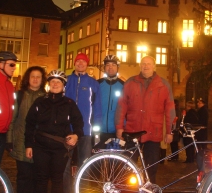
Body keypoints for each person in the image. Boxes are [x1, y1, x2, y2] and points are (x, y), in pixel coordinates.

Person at [115, 55, 175, 183]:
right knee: (127, 165)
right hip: (133, 131)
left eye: (148, 64)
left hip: (153, 131)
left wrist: (170, 131)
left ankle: (149, 188)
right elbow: (122, 106)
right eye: (143, 64)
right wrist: (119, 127)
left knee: (151, 168)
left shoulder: (163, 84)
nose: (146, 66)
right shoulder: (130, 82)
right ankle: (126, 189)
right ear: (140, 66)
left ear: (154, 66)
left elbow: (170, 109)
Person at [25, 70, 83, 193]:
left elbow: (78, 122)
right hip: (40, 146)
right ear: (49, 84)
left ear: (63, 85)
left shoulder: (69, 104)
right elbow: (29, 124)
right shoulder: (40, 102)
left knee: (57, 179)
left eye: (58, 82)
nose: (55, 84)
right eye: (53, 82)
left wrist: (76, 135)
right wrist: (29, 145)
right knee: (41, 179)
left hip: (60, 148)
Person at [63, 53, 101, 192]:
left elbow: (97, 107)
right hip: (68, 130)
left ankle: (82, 189)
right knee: (65, 166)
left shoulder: (93, 83)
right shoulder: (66, 80)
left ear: (87, 64)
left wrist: (96, 131)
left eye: (83, 61)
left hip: (85, 131)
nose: (80, 64)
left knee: (85, 165)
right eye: (78, 61)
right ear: (74, 63)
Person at [6, 66, 47, 193]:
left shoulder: (46, 98)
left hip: (40, 145)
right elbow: (12, 119)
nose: (35, 79)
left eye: (38, 77)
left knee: (38, 178)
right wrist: (9, 140)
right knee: (23, 177)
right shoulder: (20, 95)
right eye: (32, 76)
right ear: (28, 79)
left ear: (42, 79)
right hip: (21, 143)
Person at [97, 55, 124, 144]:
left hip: (117, 130)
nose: (110, 67)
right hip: (98, 130)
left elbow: (126, 108)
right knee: (98, 156)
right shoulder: (97, 84)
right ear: (104, 67)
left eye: (113, 65)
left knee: (115, 157)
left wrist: (123, 127)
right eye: (108, 65)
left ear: (118, 67)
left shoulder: (123, 85)